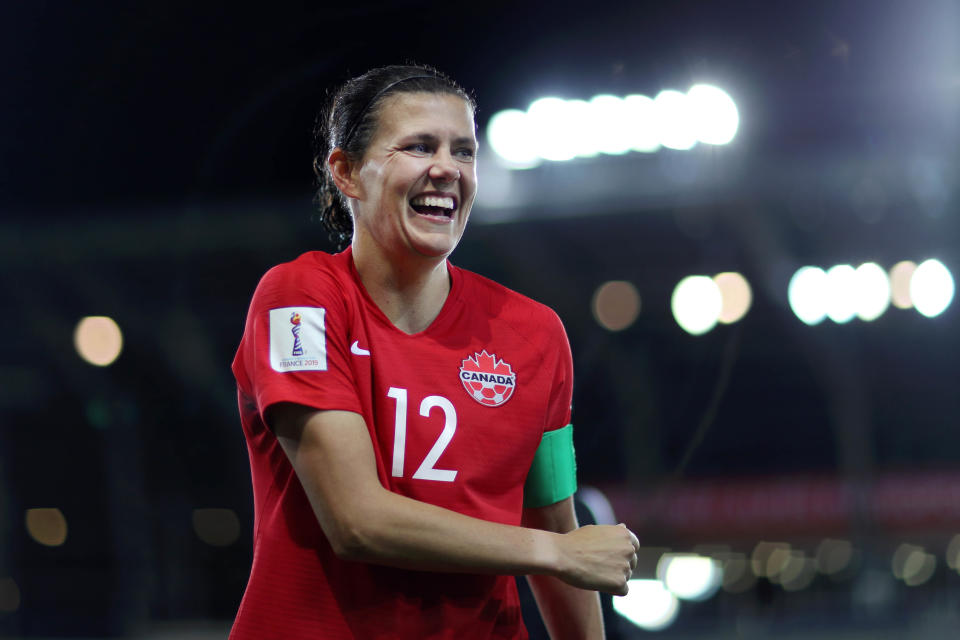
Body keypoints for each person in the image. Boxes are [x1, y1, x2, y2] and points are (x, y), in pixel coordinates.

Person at [229, 64, 639, 640]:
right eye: (419, 146)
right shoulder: (298, 301)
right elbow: (358, 521)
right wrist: (552, 551)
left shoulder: (536, 334)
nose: (447, 169)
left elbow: (555, 518)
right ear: (346, 172)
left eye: (464, 152)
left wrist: (561, 554)